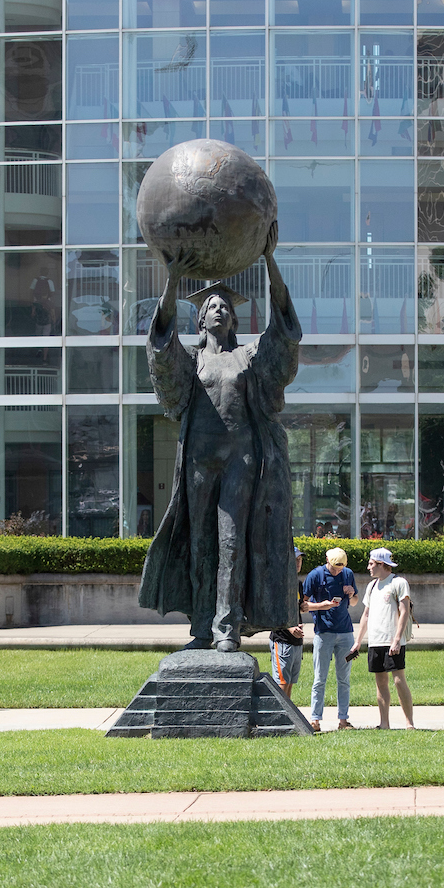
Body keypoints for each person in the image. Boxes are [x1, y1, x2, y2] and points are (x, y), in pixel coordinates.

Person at [138, 222, 302, 651]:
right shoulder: (191, 361)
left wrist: (270, 262)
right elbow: (160, 346)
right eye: (211, 306)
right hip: (198, 459)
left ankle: (227, 630)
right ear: (200, 316)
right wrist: (173, 281)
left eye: (225, 307)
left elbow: (283, 336)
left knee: (230, 543)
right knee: (200, 543)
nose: (219, 311)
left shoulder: (247, 357)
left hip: (242, 460)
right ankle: (201, 627)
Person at [348, 547, 415, 730]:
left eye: (371, 564)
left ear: (381, 564)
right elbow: (366, 615)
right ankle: (384, 723)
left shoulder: (398, 583)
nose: (368, 567)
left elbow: (404, 611)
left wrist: (397, 639)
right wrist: (358, 641)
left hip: (392, 641)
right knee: (380, 682)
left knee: (398, 679)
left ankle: (409, 723)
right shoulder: (371, 586)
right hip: (375, 641)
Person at [303, 547, 358, 732]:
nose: (337, 571)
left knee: (344, 679)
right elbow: (303, 606)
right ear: (327, 560)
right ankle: (315, 720)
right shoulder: (315, 575)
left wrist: (351, 595)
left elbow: (355, 601)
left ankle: (343, 720)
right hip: (323, 633)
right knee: (320, 678)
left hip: (345, 633)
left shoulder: (348, 574)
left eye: (340, 568)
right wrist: (322, 606)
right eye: (335, 568)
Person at [270, 547, 306, 699]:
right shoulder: (280, 584)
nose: (298, 563)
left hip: (296, 640)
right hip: (282, 640)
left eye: (300, 560)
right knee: (282, 683)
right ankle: (276, 718)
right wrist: (290, 627)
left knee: (290, 682)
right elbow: (274, 612)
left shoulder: (297, 583)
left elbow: (299, 608)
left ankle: (288, 716)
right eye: (295, 559)